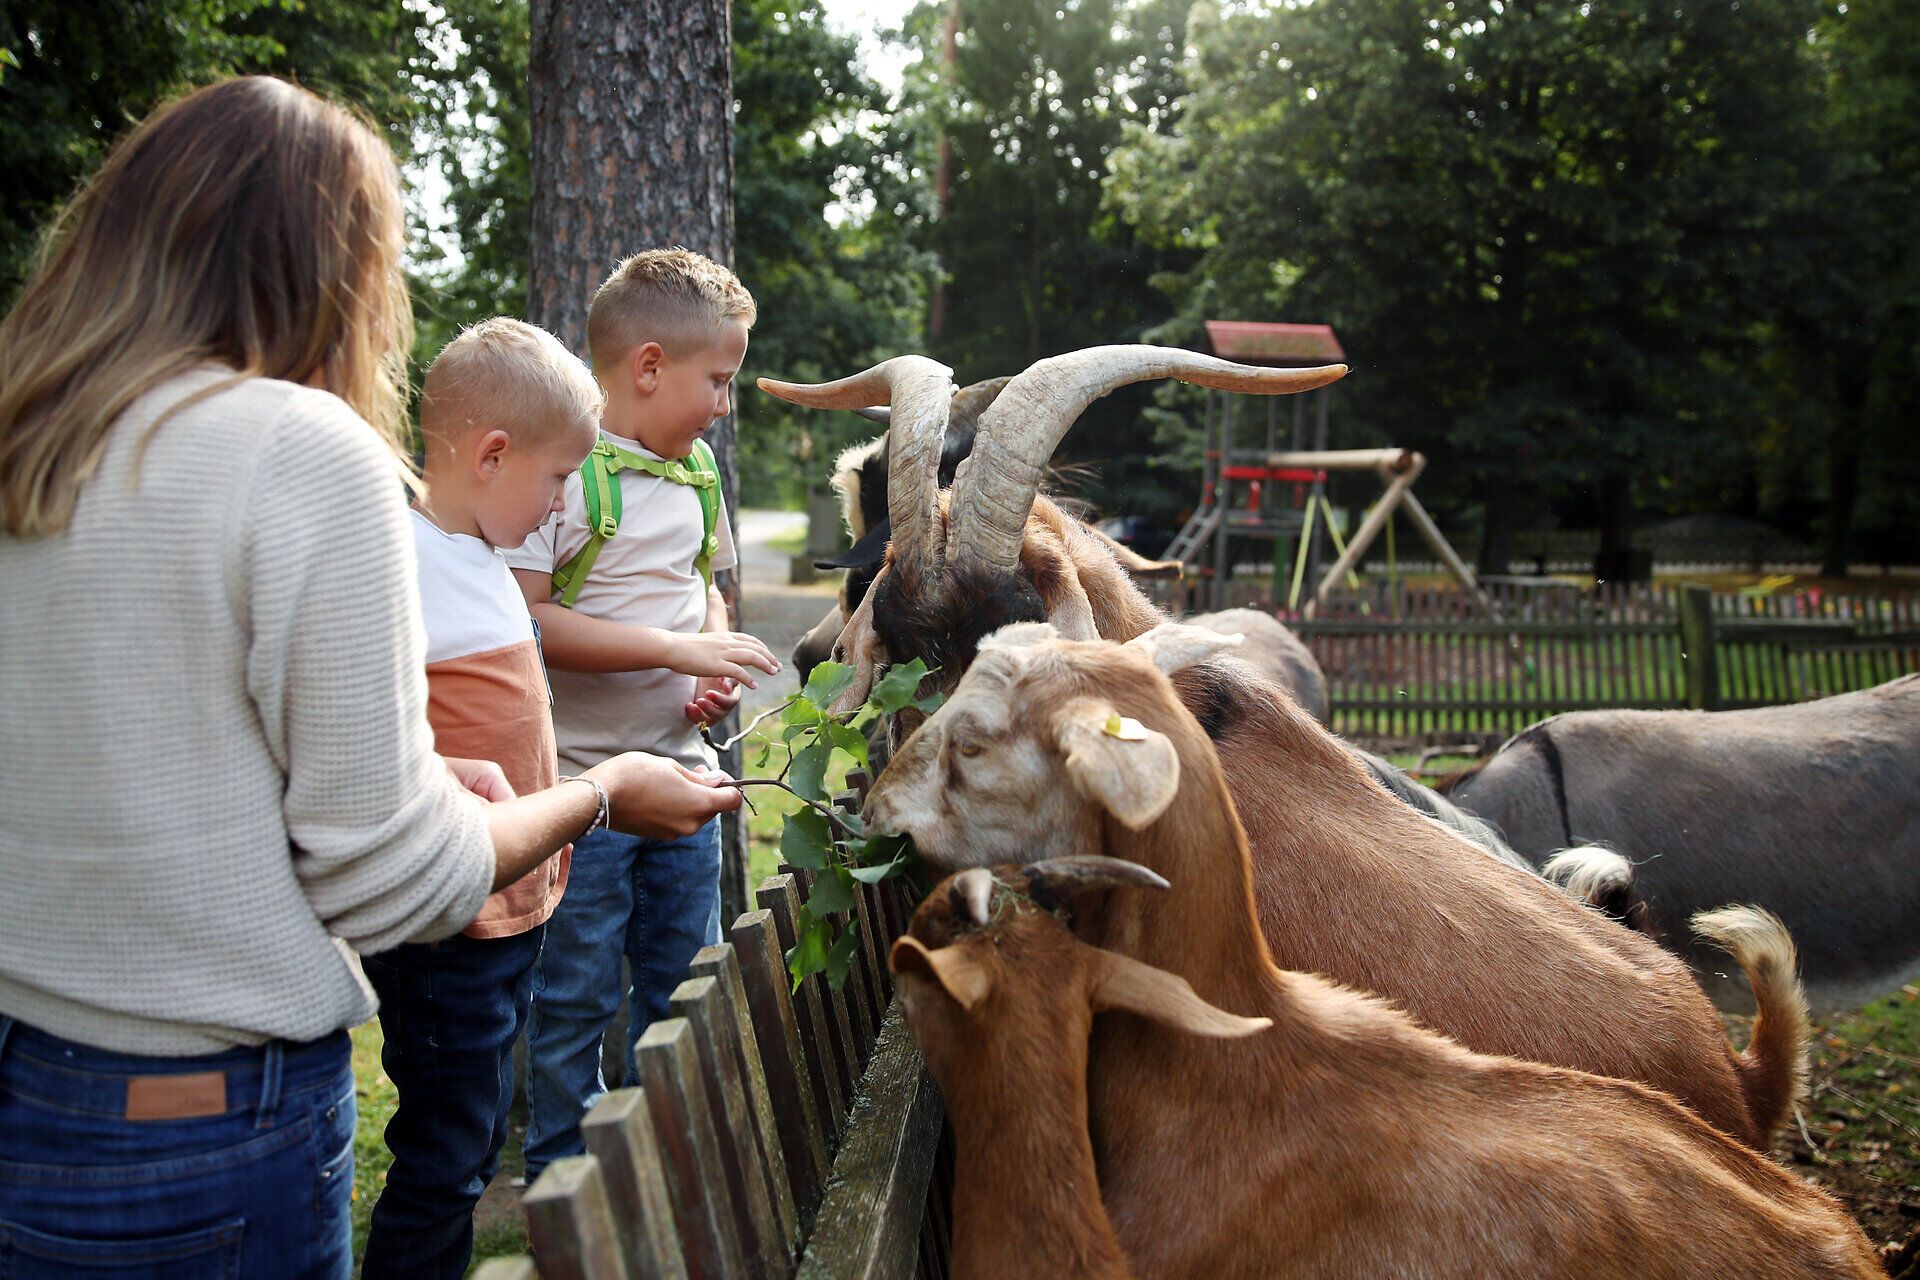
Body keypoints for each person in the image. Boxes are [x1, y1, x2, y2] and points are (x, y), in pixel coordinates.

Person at [0, 77, 741, 1280]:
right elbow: (399, 882)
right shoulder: (302, 450)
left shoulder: (33, 433)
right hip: (210, 1117)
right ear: (333, 268)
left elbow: (162, 761)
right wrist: (604, 792)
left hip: (29, 1073)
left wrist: (419, 777)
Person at [506, 248, 780, 1178]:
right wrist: (672, 650)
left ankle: (669, 1173)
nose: (724, 405)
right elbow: (533, 622)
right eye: (719, 381)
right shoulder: (566, 474)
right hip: (580, 797)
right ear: (650, 367)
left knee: (683, 989)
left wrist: (713, 656)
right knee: (576, 998)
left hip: (685, 780)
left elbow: (706, 592)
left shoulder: (698, 473)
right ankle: (562, 1178)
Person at [359, 318, 608, 1279]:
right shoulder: (403, 564)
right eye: (557, 479)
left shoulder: (480, 558)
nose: (561, 504)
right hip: (448, 930)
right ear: (493, 455)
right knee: (445, 1156)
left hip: (503, 910)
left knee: (468, 1137)